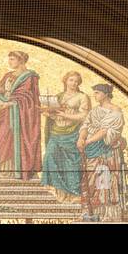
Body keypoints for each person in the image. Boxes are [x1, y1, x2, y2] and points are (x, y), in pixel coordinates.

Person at [78, 83, 126, 221]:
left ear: (106, 94)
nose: (95, 95)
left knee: (105, 180)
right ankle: (92, 212)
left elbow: (104, 131)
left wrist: (87, 141)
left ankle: (108, 214)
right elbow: (85, 125)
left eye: (97, 92)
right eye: (94, 92)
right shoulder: (94, 111)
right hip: (91, 151)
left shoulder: (115, 112)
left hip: (106, 152)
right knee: (90, 181)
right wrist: (81, 138)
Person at [41, 71, 89, 201]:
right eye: (71, 80)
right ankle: (58, 192)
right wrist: (48, 114)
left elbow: (84, 116)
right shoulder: (59, 96)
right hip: (56, 132)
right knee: (50, 157)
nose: (74, 83)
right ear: (65, 81)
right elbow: (55, 115)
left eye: (76, 81)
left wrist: (65, 115)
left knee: (70, 163)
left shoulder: (82, 97)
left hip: (72, 133)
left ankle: (73, 194)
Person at [0, 50, 42, 178]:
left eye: (12, 59)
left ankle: (18, 171)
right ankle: (5, 170)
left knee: (18, 139)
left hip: (21, 115)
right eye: (9, 59)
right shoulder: (8, 75)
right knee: (3, 138)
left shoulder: (29, 77)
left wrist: (12, 101)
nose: (9, 62)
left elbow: (29, 97)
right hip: (6, 113)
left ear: (21, 60)